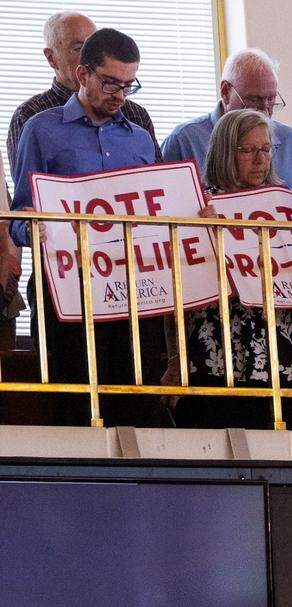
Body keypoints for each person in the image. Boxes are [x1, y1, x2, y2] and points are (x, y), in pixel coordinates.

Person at [9, 28, 163, 427]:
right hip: (66, 292)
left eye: (129, 85)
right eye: (110, 82)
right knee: (74, 407)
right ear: (82, 74)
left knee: (133, 404)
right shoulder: (40, 129)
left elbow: (161, 212)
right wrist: (34, 229)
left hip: (131, 293)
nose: (120, 95)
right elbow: (20, 213)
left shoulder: (142, 141)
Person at [170, 109, 292, 429]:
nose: (260, 159)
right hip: (223, 353)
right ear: (225, 152)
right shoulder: (201, 208)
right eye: (247, 150)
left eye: (265, 149)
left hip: (290, 353)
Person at [7, 12, 160, 170]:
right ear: (51, 57)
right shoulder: (33, 119)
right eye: (79, 48)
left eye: (127, 85)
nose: (119, 96)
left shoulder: (137, 119)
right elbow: (30, 190)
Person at [162, 48, 292, 202]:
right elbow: (169, 211)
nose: (264, 110)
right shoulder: (183, 140)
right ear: (225, 92)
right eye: (254, 99)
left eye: (271, 99)